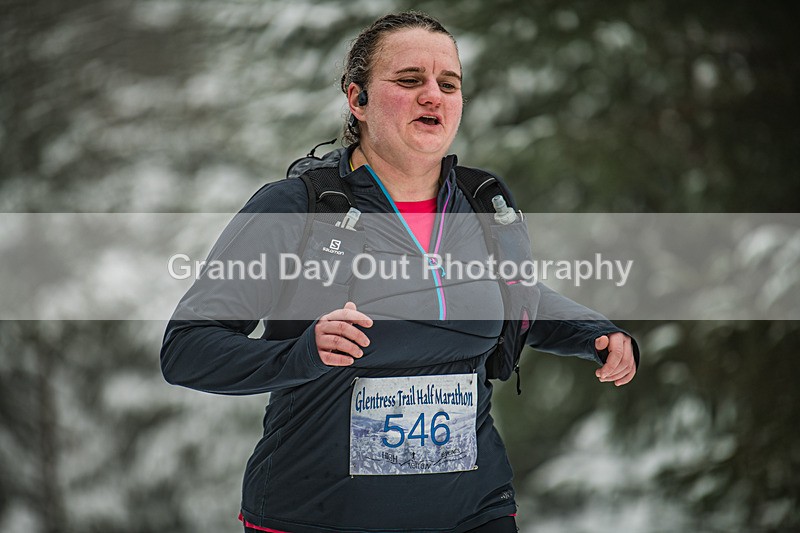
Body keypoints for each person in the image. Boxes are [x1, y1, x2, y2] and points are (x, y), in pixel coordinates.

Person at [161, 11, 638, 533]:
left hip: (472, 515)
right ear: (357, 99)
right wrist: (302, 353)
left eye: (448, 83)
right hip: (318, 518)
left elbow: (513, 296)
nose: (433, 94)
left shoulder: (484, 204)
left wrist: (595, 332)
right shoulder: (297, 208)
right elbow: (188, 350)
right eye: (409, 80)